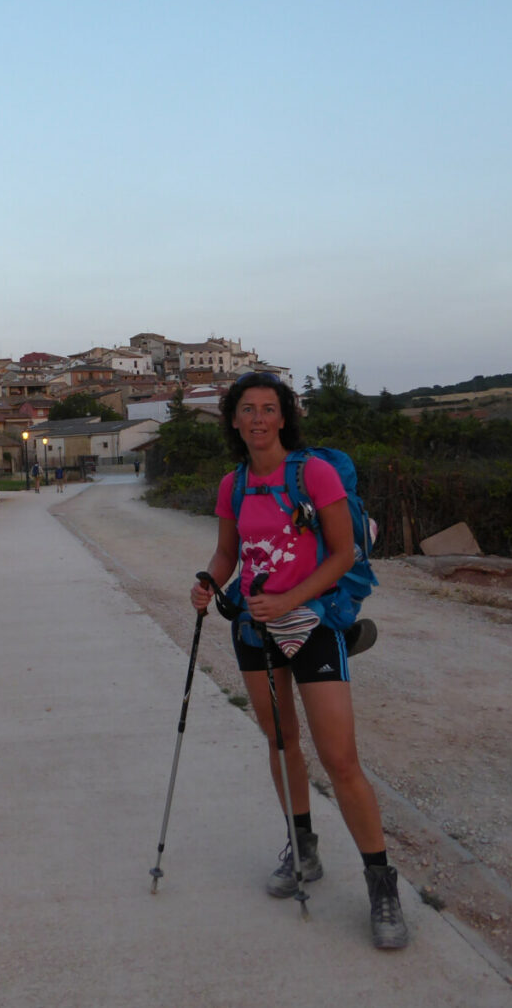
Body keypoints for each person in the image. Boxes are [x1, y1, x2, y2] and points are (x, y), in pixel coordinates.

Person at [189, 371, 407, 950]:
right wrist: (211, 579)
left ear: (284, 417)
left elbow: (344, 552)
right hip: (253, 628)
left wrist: (292, 597)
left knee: (341, 760)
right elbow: (229, 550)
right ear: (233, 420)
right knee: (281, 741)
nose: (258, 419)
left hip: (311, 624)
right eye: (247, 410)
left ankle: (381, 884)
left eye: (268, 409)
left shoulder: (314, 473)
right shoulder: (232, 484)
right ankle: (303, 849)